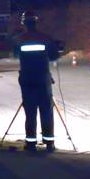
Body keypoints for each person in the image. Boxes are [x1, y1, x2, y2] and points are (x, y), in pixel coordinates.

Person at [15, 11, 60, 153]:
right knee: (46, 111)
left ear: (24, 23)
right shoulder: (45, 38)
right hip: (43, 80)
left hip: (27, 80)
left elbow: (16, 54)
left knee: (30, 112)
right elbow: (54, 56)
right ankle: (49, 143)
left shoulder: (19, 39)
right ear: (36, 22)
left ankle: (30, 144)